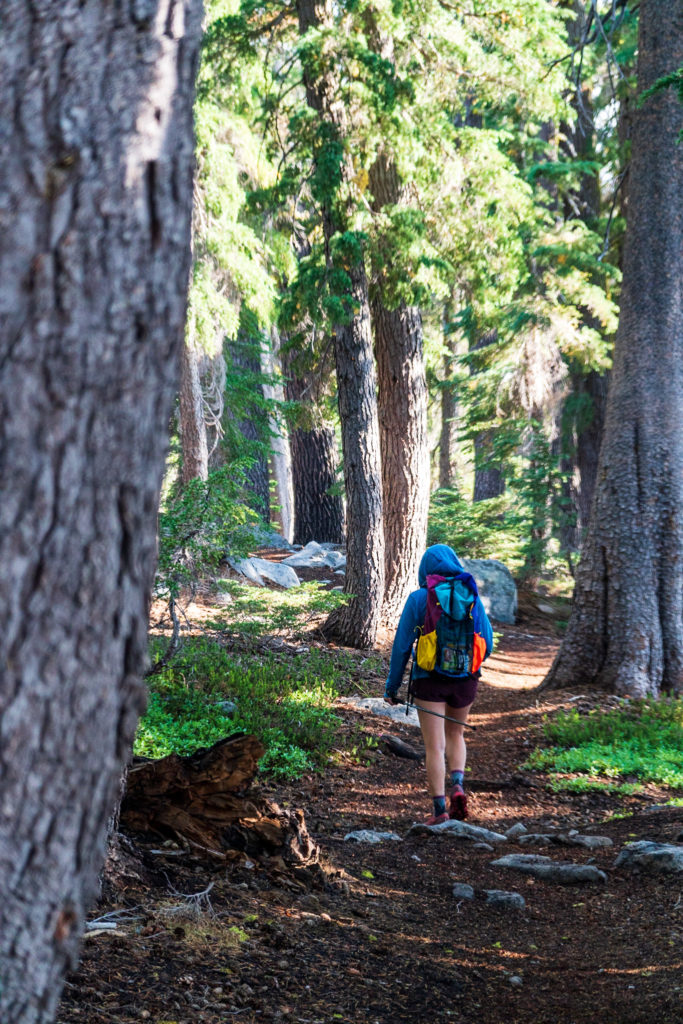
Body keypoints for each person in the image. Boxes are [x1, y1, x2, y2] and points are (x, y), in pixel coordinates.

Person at [383, 544, 493, 824]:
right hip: (465, 681)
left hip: (429, 680)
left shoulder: (420, 598)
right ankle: (458, 784)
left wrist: (392, 687)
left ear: (425, 569)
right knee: (456, 734)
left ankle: (439, 811)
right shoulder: (472, 597)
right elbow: (488, 643)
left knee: (435, 746)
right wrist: (466, 666)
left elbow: (401, 648)